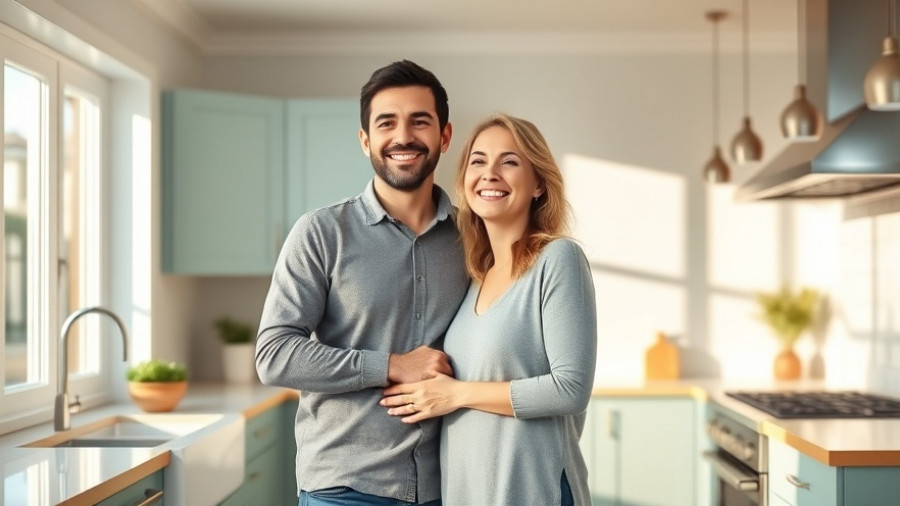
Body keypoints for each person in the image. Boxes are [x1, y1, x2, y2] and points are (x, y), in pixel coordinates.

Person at [255, 60, 470, 506]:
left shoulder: (475, 239)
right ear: (365, 140)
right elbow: (273, 355)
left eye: (420, 121)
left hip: (448, 485)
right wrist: (391, 364)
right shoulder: (321, 233)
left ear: (444, 136)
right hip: (347, 488)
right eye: (386, 122)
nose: (403, 136)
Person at [381, 113, 598, 506]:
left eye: (510, 161)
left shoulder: (557, 259)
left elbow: (570, 390)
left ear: (538, 185)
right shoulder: (477, 277)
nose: (490, 173)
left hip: (534, 492)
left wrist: (455, 395)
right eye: (478, 161)